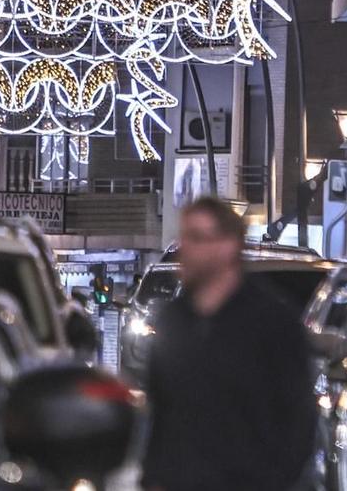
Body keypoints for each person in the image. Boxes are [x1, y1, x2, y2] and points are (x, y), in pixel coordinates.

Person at [140, 196, 314, 491]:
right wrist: (153, 477)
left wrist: (278, 478)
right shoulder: (174, 319)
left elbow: (296, 414)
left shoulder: (272, 322)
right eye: (184, 238)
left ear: (228, 245)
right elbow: (160, 408)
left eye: (197, 238)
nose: (186, 250)